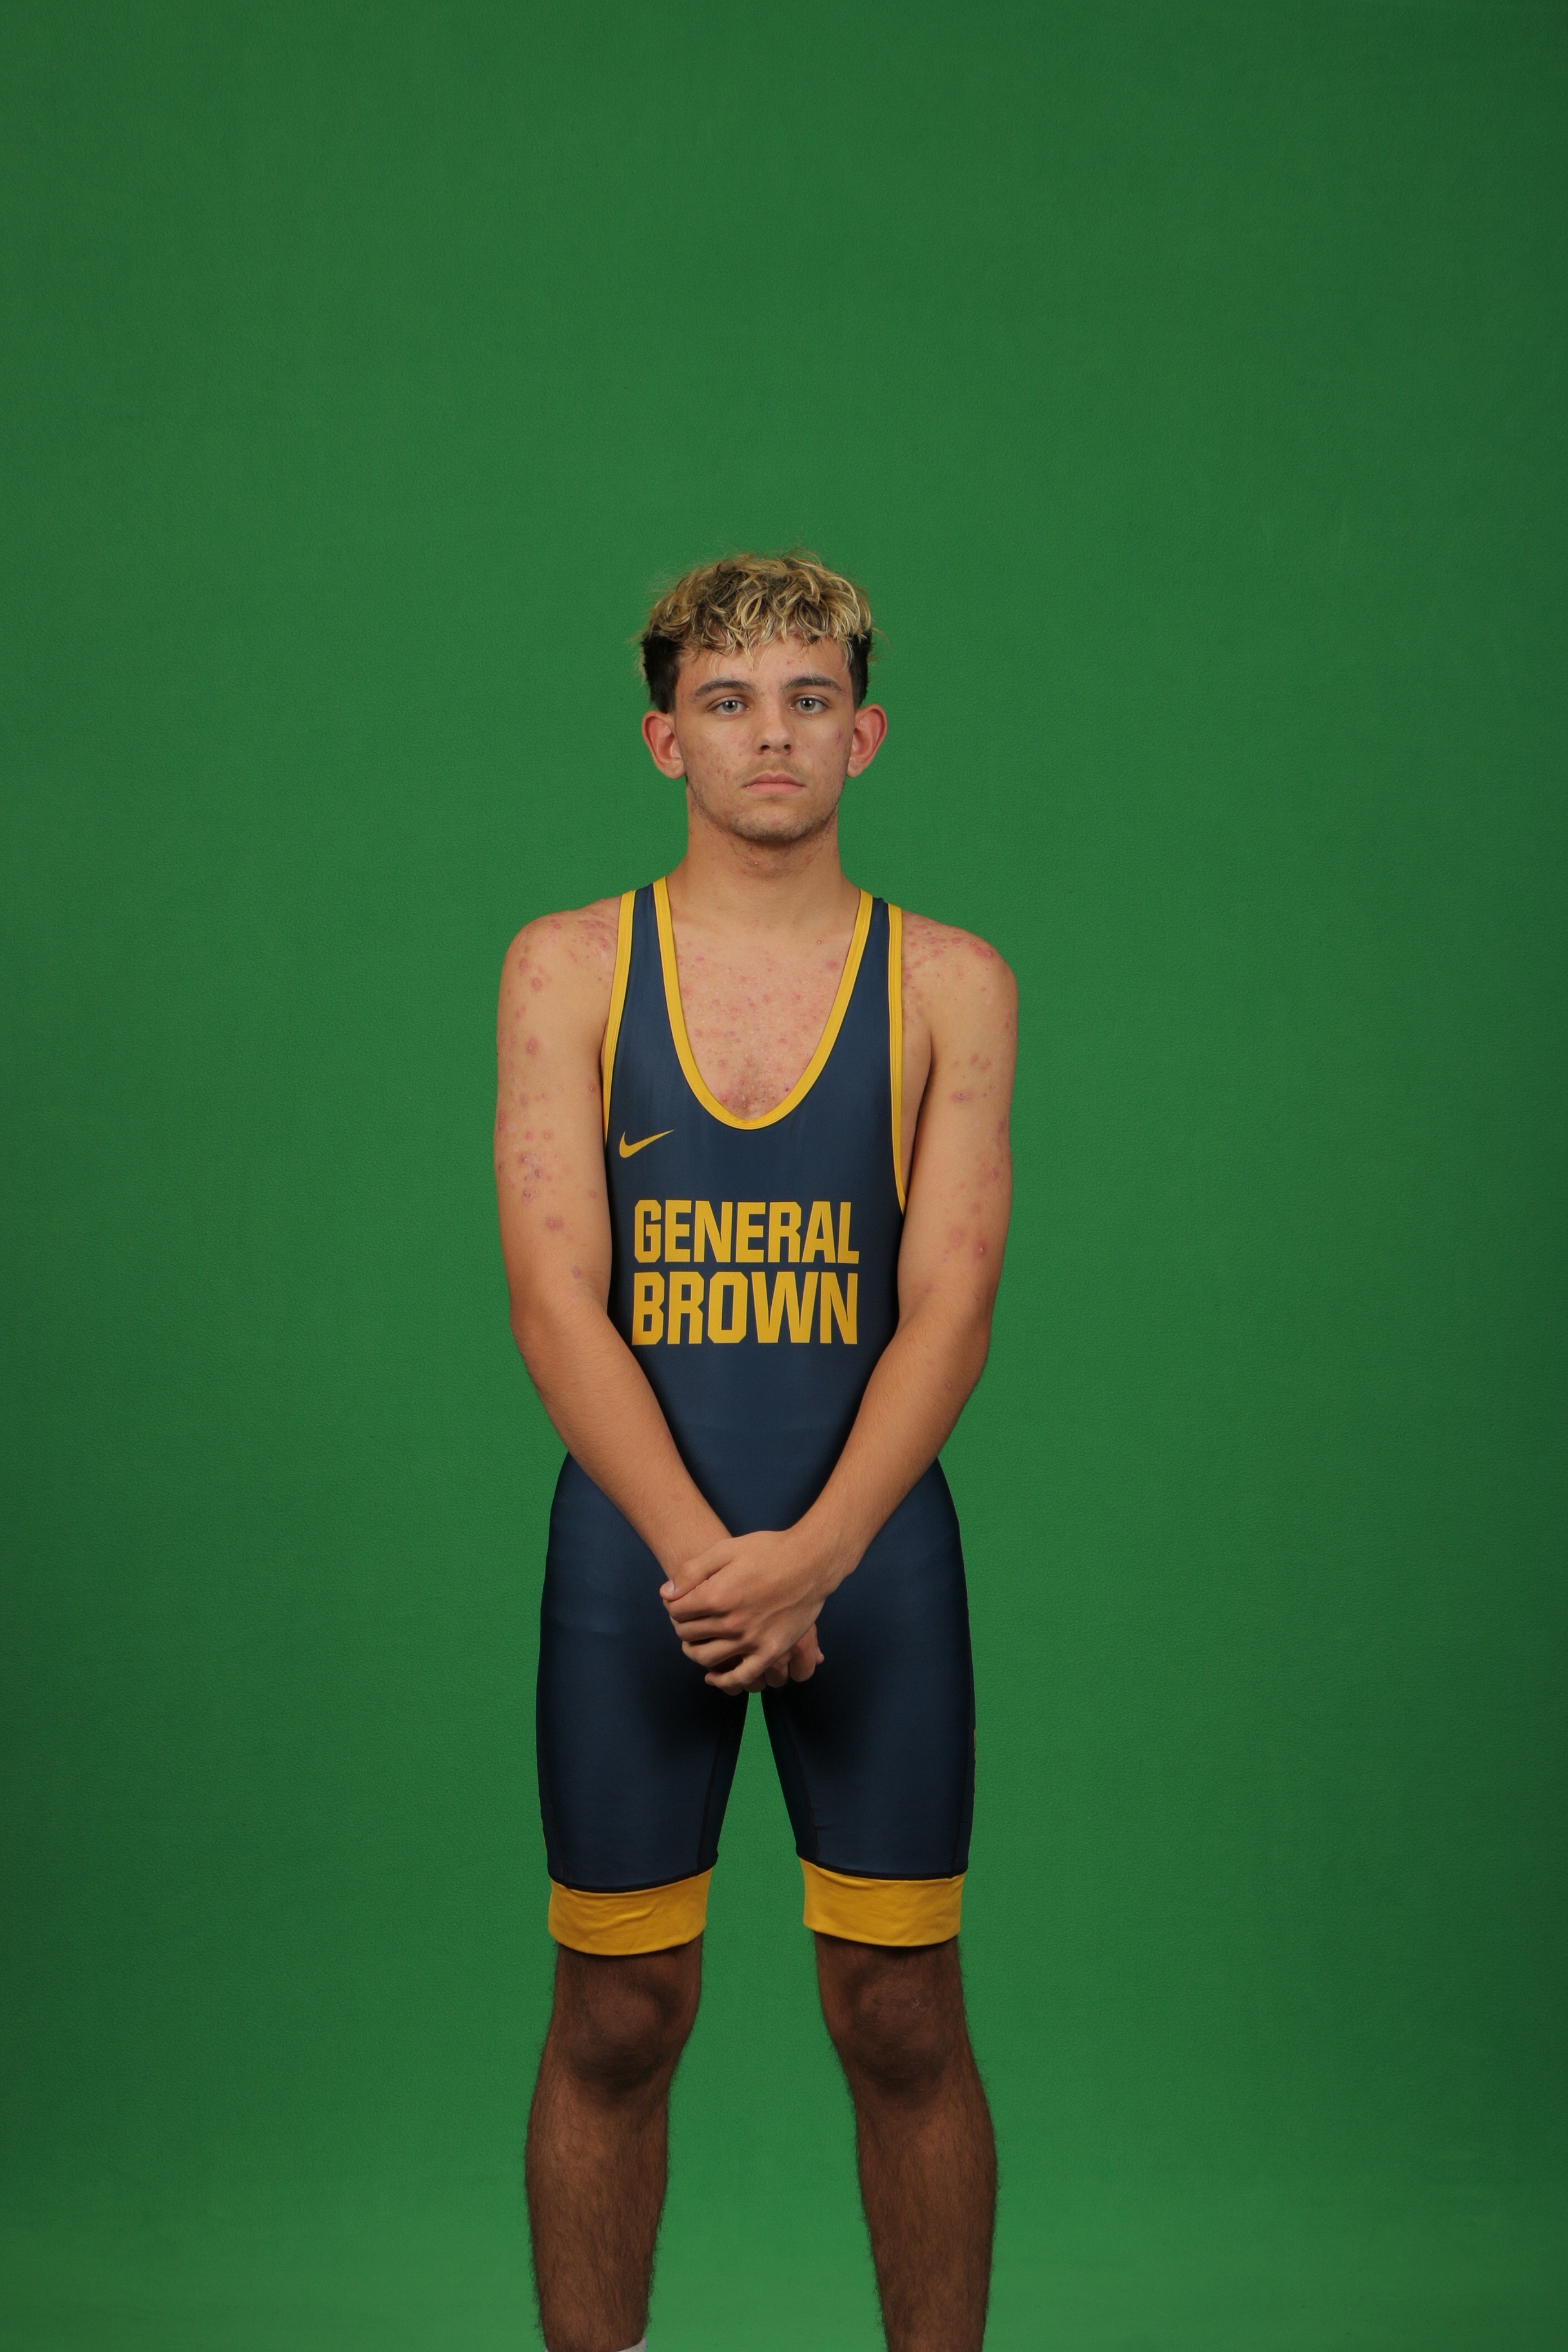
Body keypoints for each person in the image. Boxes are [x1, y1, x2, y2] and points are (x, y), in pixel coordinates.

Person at [495, 551, 1016, 2352]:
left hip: (871, 1556)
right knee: (616, 2018)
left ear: (864, 735)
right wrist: (714, 1565)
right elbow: (555, 1298)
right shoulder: (568, 966)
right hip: (637, 1562)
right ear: (666, 741)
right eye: (727, 703)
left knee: (902, 2012)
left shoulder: (950, 981)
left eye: (808, 700)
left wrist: (816, 1557)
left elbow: (950, 1303)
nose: (770, 735)